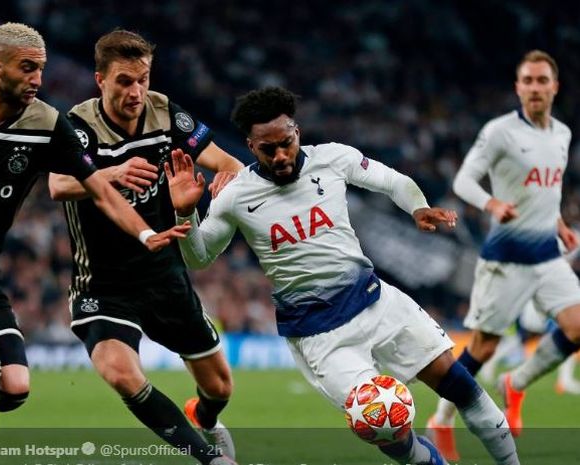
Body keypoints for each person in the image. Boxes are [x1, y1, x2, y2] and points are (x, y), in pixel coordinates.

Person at [0, 23, 187, 465]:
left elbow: (98, 189)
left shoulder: (46, 123)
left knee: (13, 389)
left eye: (40, 70)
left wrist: (144, 232)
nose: (37, 80)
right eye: (27, 69)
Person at [166, 86, 520, 465]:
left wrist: (417, 207)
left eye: (286, 142)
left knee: (461, 386)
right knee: (388, 432)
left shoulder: (332, 158)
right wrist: (185, 214)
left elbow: (392, 181)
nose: (281, 155)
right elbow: (200, 258)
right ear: (251, 147)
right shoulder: (236, 196)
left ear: (297, 131)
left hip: (374, 301)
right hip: (320, 336)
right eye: (268, 149)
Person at [47, 29, 244, 465]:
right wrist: (110, 174)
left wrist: (225, 183)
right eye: (124, 81)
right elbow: (57, 183)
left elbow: (227, 162)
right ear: (100, 79)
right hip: (104, 282)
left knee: (219, 388)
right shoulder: (78, 127)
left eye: (143, 78)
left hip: (164, 275)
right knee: (121, 374)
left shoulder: (164, 112)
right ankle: (209, 459)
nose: (136, 91)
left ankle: (207, 421)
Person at [426, 49, 580, 461]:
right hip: (505, 258)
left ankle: (516, 383)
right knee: (484, 347)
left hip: (547, 254)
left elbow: (550, 188)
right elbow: (463, 179)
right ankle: (441, 418)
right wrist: (491, 205)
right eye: (527, 81)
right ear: (518, 87)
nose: (534, 87)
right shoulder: (499, 132)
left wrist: (560, 223)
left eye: (541, 80)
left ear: (554, 87)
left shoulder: (562, 134)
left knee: (578, 326)